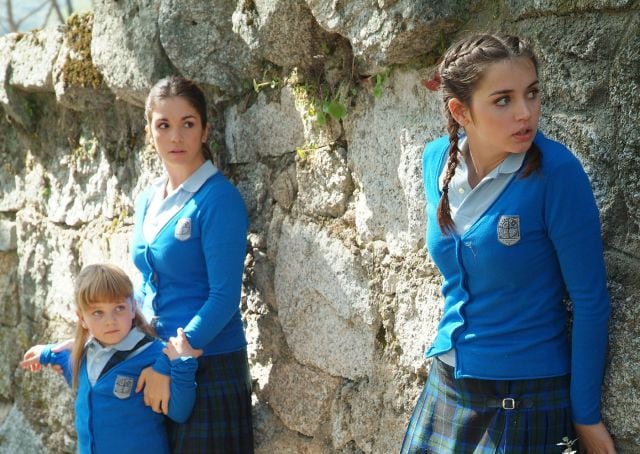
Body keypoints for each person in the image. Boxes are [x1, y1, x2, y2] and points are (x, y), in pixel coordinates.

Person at [401, 33, 615, 453]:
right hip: (447, 386)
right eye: (503, 100)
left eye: (531, 94)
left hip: (526, 398)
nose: (525, 113)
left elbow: (591, 301)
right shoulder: (434, 163)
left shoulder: (556, 173)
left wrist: (585, 414)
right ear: (460, 111)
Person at [132, 75, 253, 453]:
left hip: (208, 364)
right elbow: (145, 286)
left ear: (204, 131)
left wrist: (169, 363)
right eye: (163, 125)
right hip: (155, 362)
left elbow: (223, 299)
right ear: (150, 132)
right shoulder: (148, 200)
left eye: (187, 124)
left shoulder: (219, 199)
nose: (175, 137)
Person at [20, 263, 200, 454]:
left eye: (119, 308)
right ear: (82, 318)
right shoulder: (86, 356)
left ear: (133, 309)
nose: (110, 320)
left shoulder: (154, 355)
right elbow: (68, 364)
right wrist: (47, 353)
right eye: (98, 312)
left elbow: (180, 412)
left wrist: (183, 364)